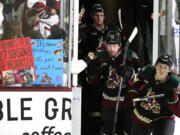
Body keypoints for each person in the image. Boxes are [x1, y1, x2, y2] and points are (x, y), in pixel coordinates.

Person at [85, 29, 140, 135]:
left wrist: (131, 74)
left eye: (114, 46)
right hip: (108, 102)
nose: (111, 49)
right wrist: (93, 74)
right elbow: (91, 81)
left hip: (127, 102)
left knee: (126, 130)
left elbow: (140, 80)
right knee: (107, 130)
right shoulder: (100, 56)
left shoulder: (130, 56)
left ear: (119, 45)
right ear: (105, 44)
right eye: (109, 46)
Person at [128, 54, 180, 135]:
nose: (161, 70)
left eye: (165, 67)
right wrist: (132, 95)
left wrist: (173, 100)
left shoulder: (175, 83)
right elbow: (135, 85)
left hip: (163, 116)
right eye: (160, 66)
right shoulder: (147, 71)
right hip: (143, 113)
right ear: (155, 66)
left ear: (170, 70)